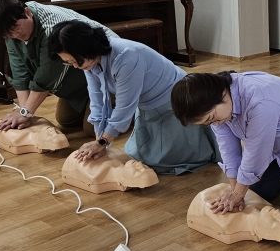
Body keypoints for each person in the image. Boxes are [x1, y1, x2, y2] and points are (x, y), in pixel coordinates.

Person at [170, 71, 280, 222]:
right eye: (207, 123)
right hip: (279, 150)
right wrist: (236, 192)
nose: (214, 123)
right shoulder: (219, 108)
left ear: (220, 96)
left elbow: (255, 153)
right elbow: (229, 151)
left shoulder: (259, 100)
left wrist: (237, 194)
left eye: (212, 118)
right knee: (255, 193)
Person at [46, 20, 217, 175]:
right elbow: (96, 99)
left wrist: (102, 142)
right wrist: (99, 140)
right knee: (138, 154)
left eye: (76, 61)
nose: (76, 67)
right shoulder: (89, 62)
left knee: (162, 161)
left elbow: (124, 107)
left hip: (175, 98)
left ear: (88, 49)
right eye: (70, 63)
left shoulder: (126, 56)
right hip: (148, 104)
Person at [0, 0, 115, 134]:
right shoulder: (11, 28)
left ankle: (130, 107)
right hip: (82, 75)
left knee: (92, 129)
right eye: (9, 34)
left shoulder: (51, 30)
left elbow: (47, 76)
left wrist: (25, 113)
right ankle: (101, 105)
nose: (16, 35)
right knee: (66, 120)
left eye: (16, 28)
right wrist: (24, 112)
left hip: (107, 70)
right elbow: (19, 72)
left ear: (27, 13)